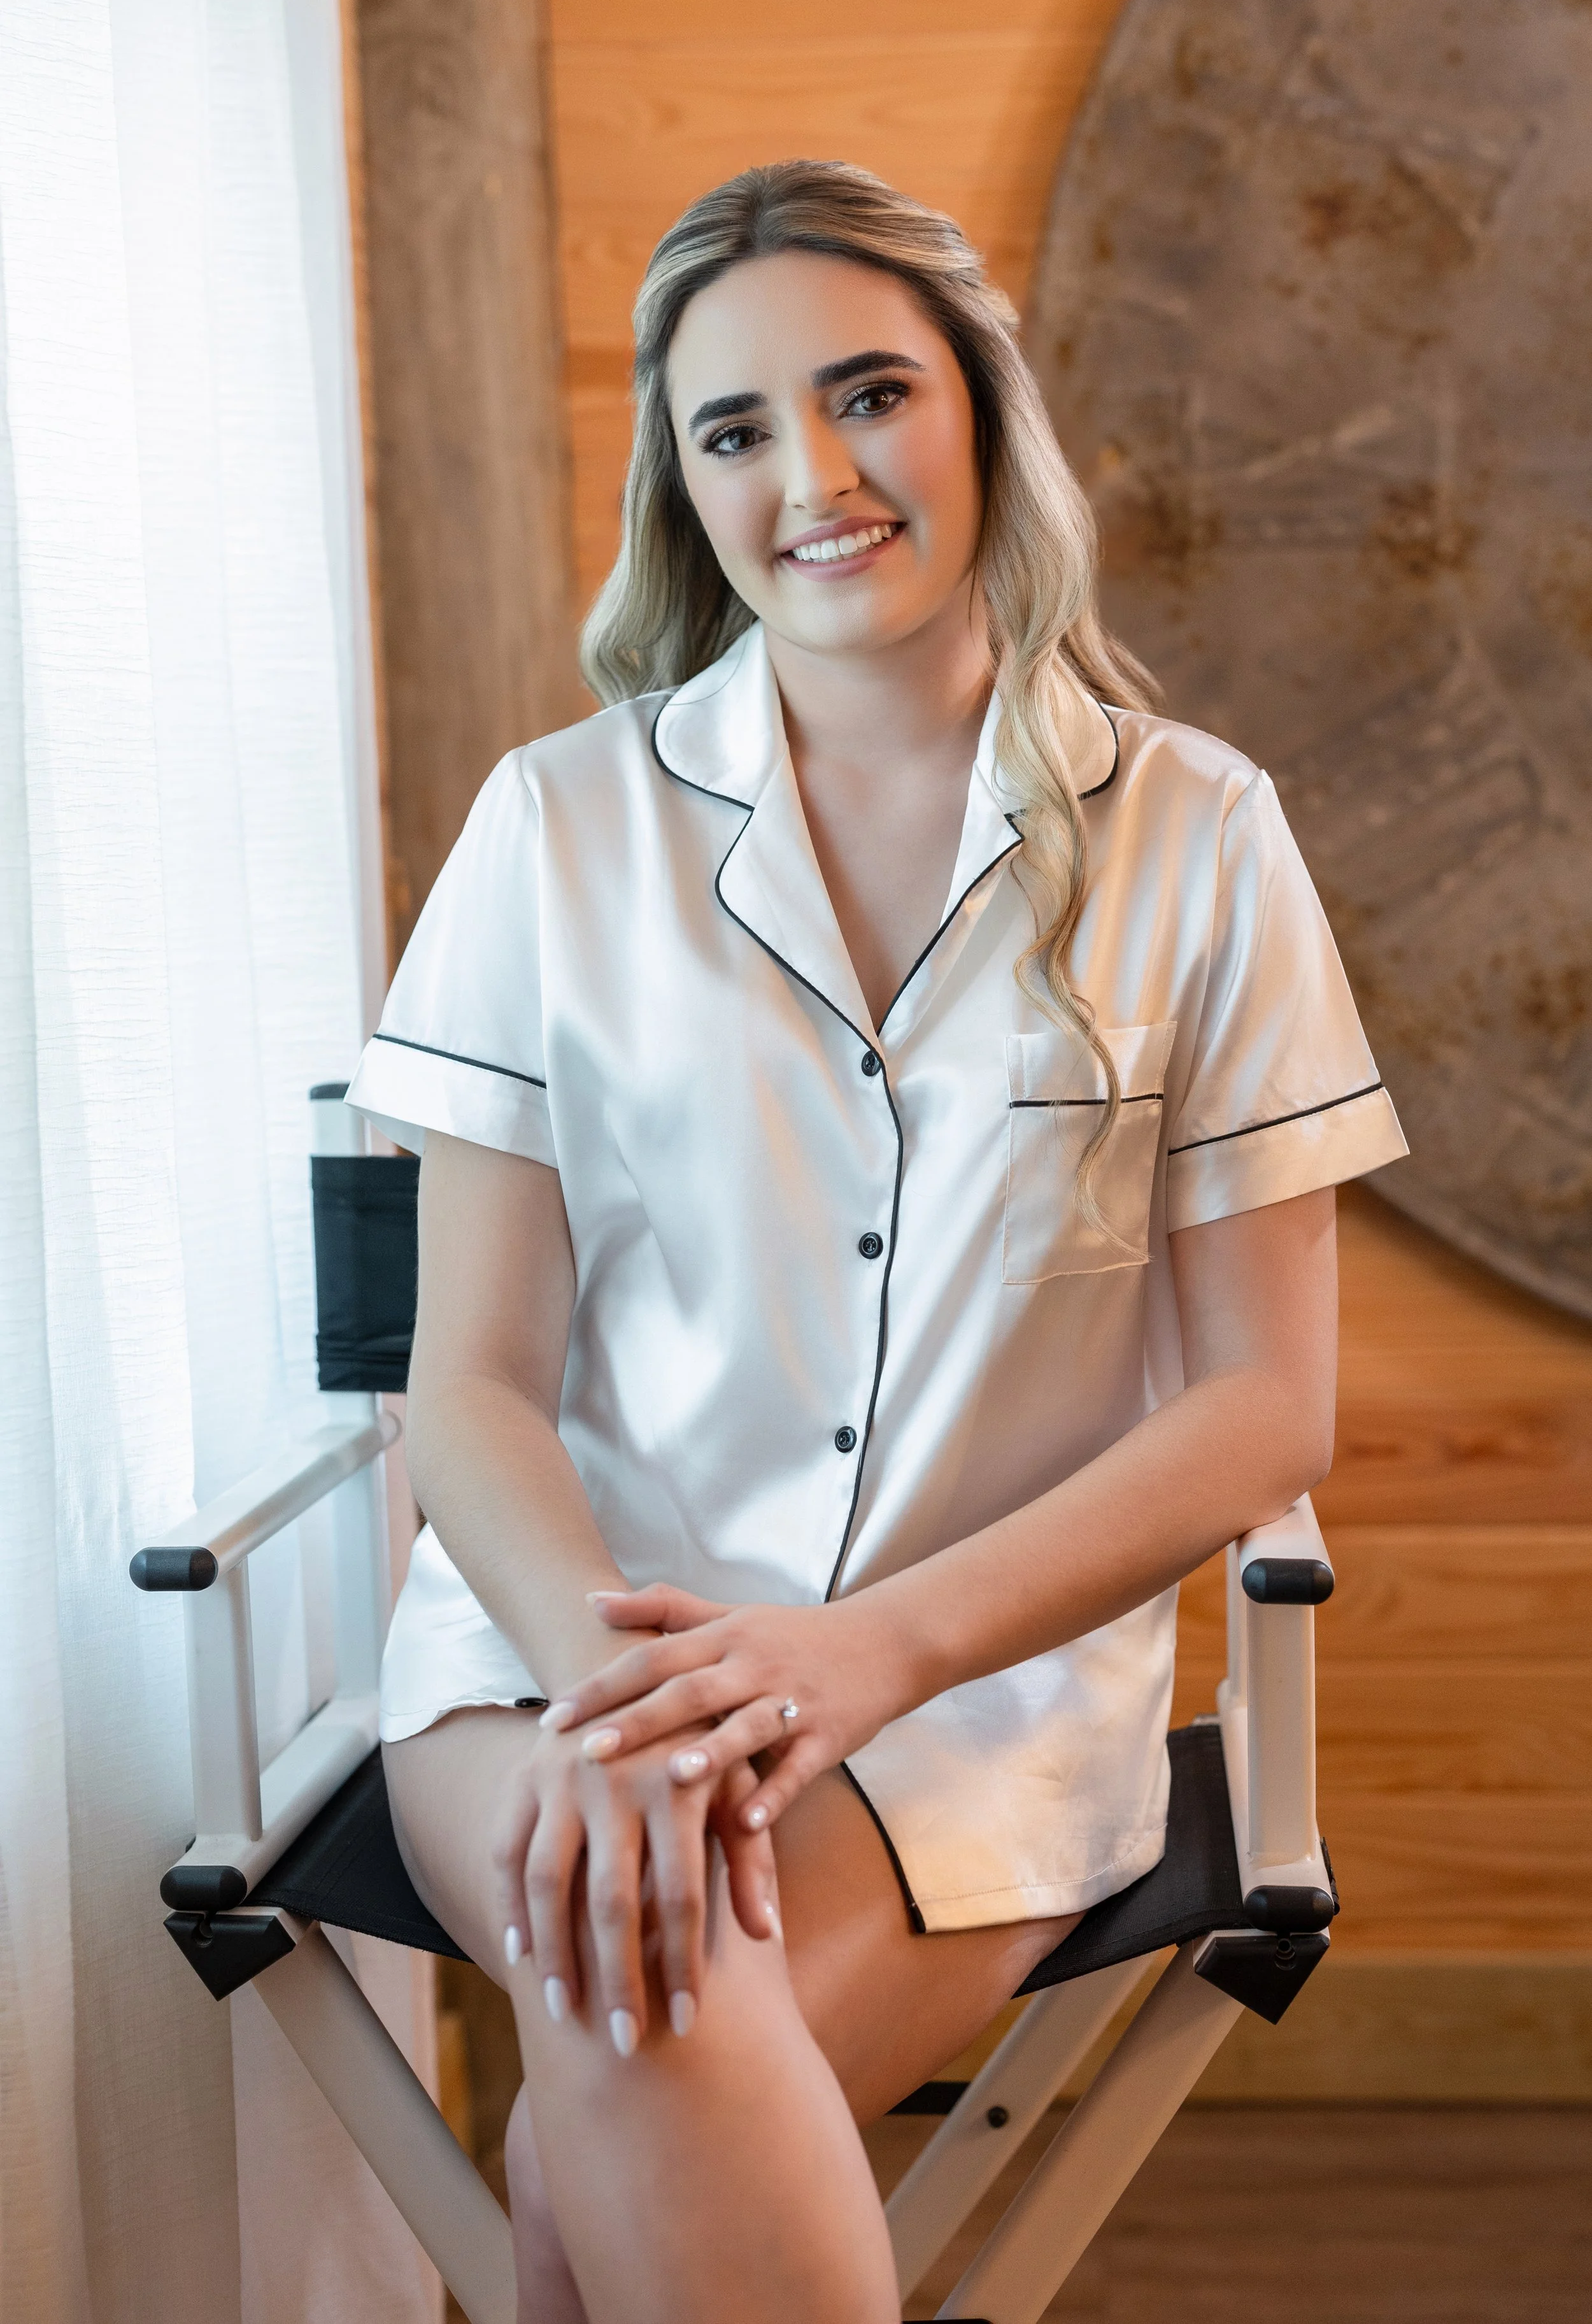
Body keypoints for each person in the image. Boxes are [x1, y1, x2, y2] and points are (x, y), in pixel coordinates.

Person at [346, 159, 1407, 2323]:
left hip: (967, 1705)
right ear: (684, 482)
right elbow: (466, 1379)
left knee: (604, 2107)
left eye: (865, 396)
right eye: (733, 430)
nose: (808, 476)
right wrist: (622, 1706)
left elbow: (1258, 1406)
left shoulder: (1200, 836)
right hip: (553, 1662)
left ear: (981, 418)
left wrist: (861, 1658)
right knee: (638, 2022)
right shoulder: (553, 825)